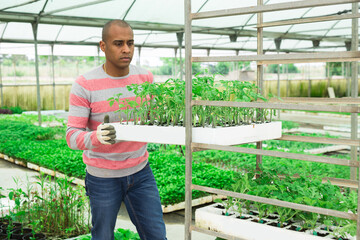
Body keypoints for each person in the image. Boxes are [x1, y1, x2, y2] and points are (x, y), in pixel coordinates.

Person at [66, 19, 167, 240]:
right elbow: (72, 136)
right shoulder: (85, 84)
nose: (126, 49)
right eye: (118, 43)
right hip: (102, 178)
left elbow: (154, 120)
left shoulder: (145, 79)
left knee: (156, 235)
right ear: (103, 46)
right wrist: (97, 136)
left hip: (141, 173)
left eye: (130, 43)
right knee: (102, 236)